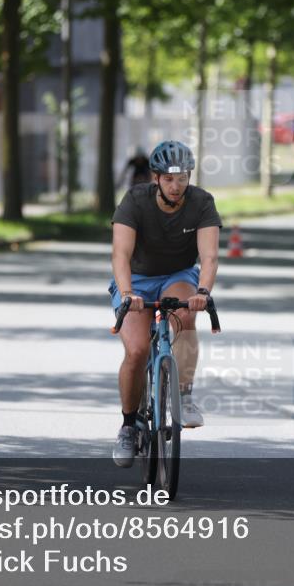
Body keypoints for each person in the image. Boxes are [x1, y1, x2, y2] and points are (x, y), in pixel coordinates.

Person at [109, 140, 222, 468]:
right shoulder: (135, 200)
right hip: (137, 280)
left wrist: (203, 290)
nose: (177, 186)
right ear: (155, 178)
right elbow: (120, 254)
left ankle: (184, 397)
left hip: (179, 274)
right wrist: (128, 293)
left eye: (183, 178)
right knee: (136, 350)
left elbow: (210, 255)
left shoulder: (202, 203)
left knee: (187, 313)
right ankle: (129, 426)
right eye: (169, 179)